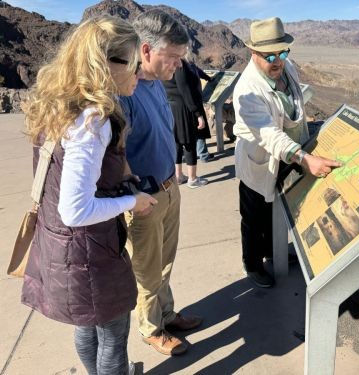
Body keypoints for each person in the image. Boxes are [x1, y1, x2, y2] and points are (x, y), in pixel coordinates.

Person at [21, 15, 157, 375]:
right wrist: (134, 201)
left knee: (87, 325)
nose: (139, 73)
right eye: (133, 64)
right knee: (113, 335)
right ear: (106, 65)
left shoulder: (63, 104)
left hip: (62, 248)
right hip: (88, 252)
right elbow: (76, 210)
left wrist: (121, 175)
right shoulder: (93, 119)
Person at [233, 17, 342, 288]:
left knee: (278, 212)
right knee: (254, 215)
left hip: (290, 158)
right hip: (261, 163)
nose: (277, 61)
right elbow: (268, 135)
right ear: (252, 52)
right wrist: (305, 158)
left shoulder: (286, 66)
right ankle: (253, 263)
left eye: (282, 52)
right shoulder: (247, 90)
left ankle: (274, 251)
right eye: (269, 55)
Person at [119, 9, 202, 356]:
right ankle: (151, 328)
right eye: (173, 58)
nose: (178, 66)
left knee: (165, 261)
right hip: (145, 199)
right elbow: (116, 153)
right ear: (147, 50)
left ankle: (167, 313)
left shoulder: (154, 83)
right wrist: (134, 194)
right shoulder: (126, 91)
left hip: (169, 188)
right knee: (147, 268)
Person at [164, 55, 211, 188]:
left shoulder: (167, 62)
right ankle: (193, 178)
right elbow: (186, 91)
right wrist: (198, 113)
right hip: (184, 109)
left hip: (172, 107)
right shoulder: (180, 65)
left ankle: (179, 176)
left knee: (177, 143)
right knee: (189, 142)